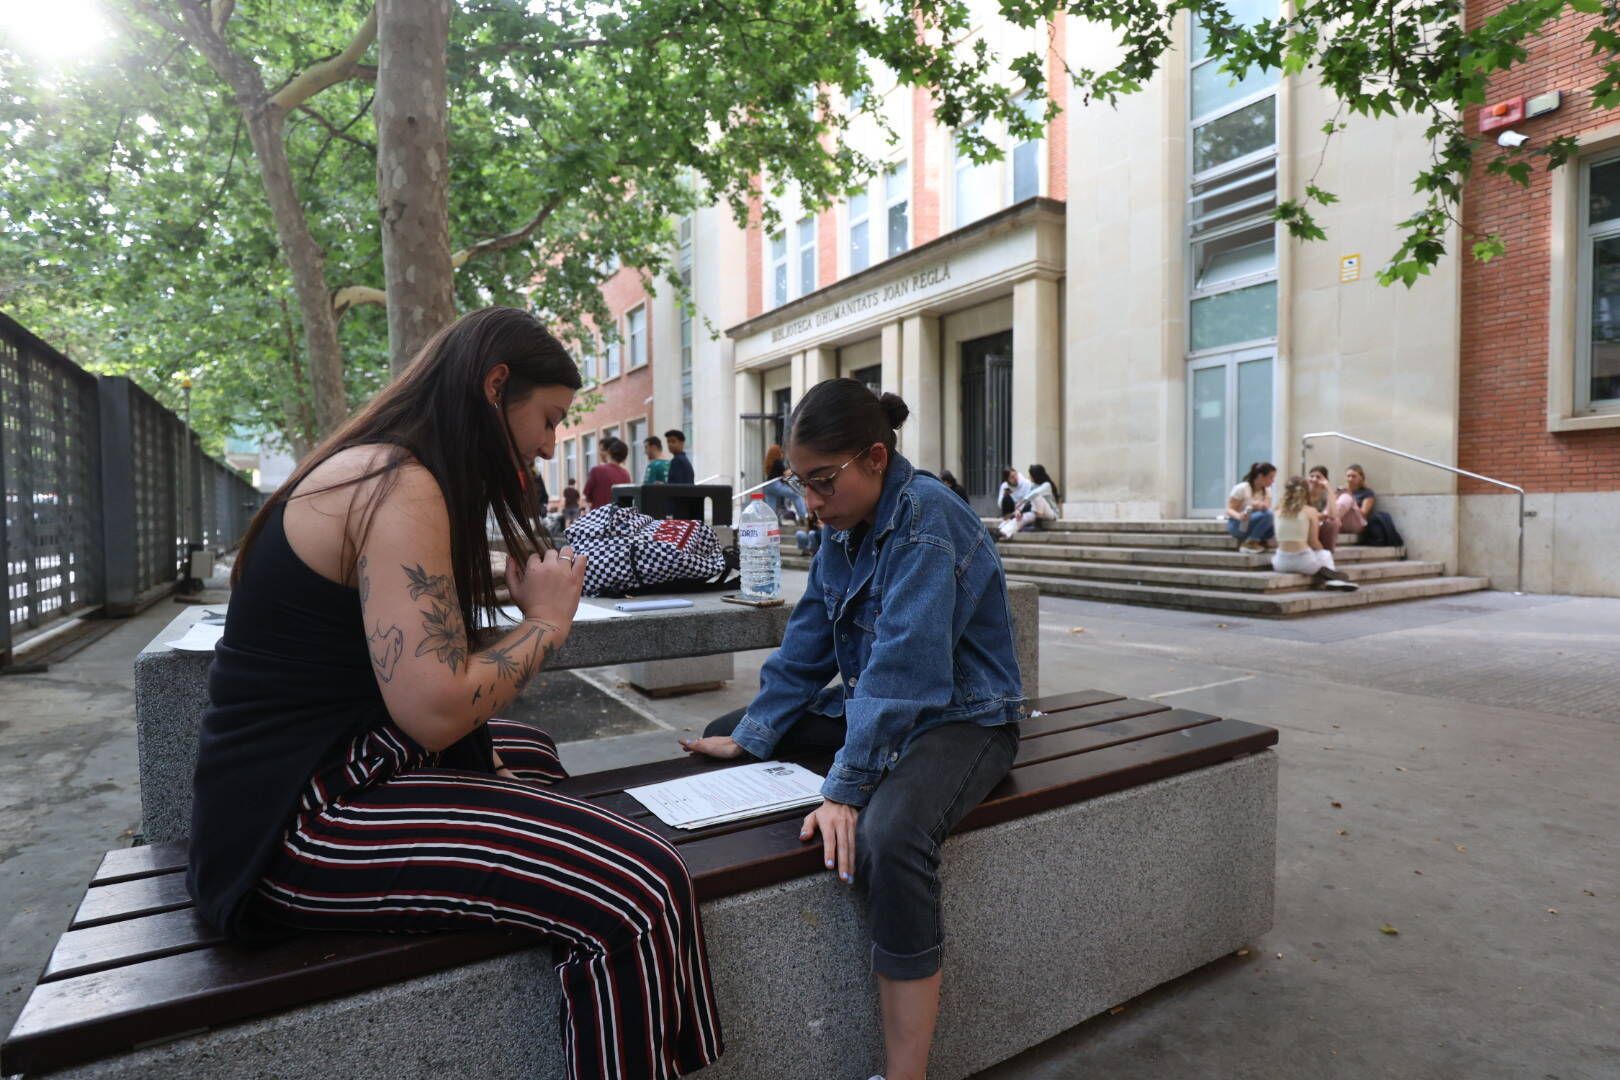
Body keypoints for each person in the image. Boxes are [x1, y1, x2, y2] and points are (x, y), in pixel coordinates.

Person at [186, 307, 723, 1080]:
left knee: (528, 752)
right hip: (292, 825)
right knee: (640, 883)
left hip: (326, 769)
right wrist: (546, 624)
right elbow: (435, 707)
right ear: (495, 385)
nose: (548, 443)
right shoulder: (397, 486)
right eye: (546, 419)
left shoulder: (399, 471)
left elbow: (427, 694)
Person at [679, 378, 1022, 1080]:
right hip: (886, 704)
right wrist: (756, 730)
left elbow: (908, 672)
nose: (810, 502)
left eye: (822, 482)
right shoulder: (842, 525)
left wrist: (848, 789)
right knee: (735, 729)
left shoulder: (929, 520)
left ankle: (905, 1072)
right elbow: (808, 641)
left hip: (962, 719)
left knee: (890, 836)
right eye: (798, 483)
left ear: (873, 457)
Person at [1272, 475, 1357, 590]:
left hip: (1280, 563)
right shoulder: (1310, 511)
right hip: (1303, 562)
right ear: (1305, 492)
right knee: (1324, 554)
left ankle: (1330, 576)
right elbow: (1314, 542)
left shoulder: (1277, 511)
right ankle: (1332, 579)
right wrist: (1322, 553)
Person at [1344, 464, 1403, 548]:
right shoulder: (1342, 491)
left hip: (1357, 523)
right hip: (1341, 521)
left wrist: (1351, 502)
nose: (1350, 479)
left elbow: (1363, 513)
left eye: (1354, 476)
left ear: (1361, 477)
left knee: (1345, 500)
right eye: (1348, 476)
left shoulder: (1367, 493)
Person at [996, 464, 1060, 540]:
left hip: (1051, 514)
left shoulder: (1046, 485)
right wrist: (1019, 510)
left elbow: (1034, 494)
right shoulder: (1032, 486)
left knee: (1036, 496)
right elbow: (1028, 499)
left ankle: (1038, 525)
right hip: (1038, 513)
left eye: (1031, 475)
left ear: (1036, 476)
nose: (1029, 477)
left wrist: (1022, 501)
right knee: (1021, 518)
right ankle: (1004, 532)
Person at [1226, 462, 1277, 553]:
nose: (1273, 481)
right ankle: (1250, 543)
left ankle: (1257, 541)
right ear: (1261, 476)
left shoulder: (1267, 491)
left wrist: (1260, 506)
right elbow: (1229, 510)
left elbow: (1267, 511)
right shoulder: (1242, 488)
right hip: (1238, 524)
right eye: (1271, 477)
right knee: (1269, 515)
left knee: (1274, 517)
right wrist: (1239, 515)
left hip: (1253, 523)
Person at [762, 443, 807, 521]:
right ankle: (804, 516)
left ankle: (769, 522)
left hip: (768, 487)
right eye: (780, 452)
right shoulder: (778, 462)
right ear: (777, 453)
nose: (782, 454)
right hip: (775, 485)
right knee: (796, 494)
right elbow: (786, 474)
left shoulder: (770, 463)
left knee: (771, 507)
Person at [583, 437, 632, 509]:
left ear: (609, 451)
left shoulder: (596, 471)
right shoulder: (626, 474)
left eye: (602, 450)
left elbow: (588, 496)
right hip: (618, 517)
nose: (600, 453)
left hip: (599, 516)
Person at [1307, 465, 1341, 552]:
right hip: (1305, 524)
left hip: (1319, 526)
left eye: (1318, 477)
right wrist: (1317, 516)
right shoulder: (1302, 494)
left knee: (1334, 522)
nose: (1314, 479)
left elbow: (1333, 515)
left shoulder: (1326, 495)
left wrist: (1328, 488)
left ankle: (1327, 555)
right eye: (1311, 476)